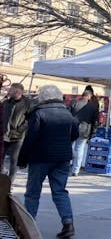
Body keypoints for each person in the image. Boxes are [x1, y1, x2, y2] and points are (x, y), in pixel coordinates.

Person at [17, 85, 78, 238]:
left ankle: (28, 226)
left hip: (40, 158)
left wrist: (22, 159)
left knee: (32, 193)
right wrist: (63, 143)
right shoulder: (68, 113)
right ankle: (68, 224)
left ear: (42, 97)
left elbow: (30, 139)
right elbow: (75, 134)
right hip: (62, 158)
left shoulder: (39, 113)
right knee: (60, 191)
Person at [2, 82, 31, 184]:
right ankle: (1, 182)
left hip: (17, 137)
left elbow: (30, 119)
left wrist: (20, 129)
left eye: (11, 90)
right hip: (4, 135)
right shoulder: (6, 102)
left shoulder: (27, 103)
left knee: (14, 161)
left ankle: (9, 183)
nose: (8, 91)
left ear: (17, 92)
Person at [69, 90, 99, 176]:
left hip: (72, 129)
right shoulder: (93, 107)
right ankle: (75, 170)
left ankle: (66, 165)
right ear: (89, 97)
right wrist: (93, 133)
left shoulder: (74, 103)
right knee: (79, 149)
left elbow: (68, 115)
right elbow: (95, 122)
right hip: (85, 130)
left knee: (69, 147)